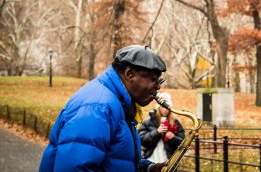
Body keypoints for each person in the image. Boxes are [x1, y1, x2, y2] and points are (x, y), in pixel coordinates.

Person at [39, 45, 167, 172]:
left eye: (159, 82)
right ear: (130, 73)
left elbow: (115, 157)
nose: (157, 87)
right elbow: (75, 168)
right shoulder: (97, 106)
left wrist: (148, 168)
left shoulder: (117, 103)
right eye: (153, 80)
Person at [138, 92, 185, 164]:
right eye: (163, 107)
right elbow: (141, 139)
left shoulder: (175, 122)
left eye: (167, 107)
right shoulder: (148, 121)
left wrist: (173, 138)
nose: (165, 110)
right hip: (151, 158)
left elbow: (183, 143)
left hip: (169, 160)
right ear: (158, 107)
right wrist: (157, 132)